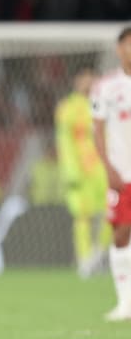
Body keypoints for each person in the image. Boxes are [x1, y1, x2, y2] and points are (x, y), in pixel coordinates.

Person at [55, 68, 111, 278]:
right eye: (84, 77)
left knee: (112, 213)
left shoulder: (107, 103)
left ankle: (100, 253)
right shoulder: (67, 108)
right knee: (82, 215)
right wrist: (70, 170)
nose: (88, 81)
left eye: (92, 76)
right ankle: (85, 260)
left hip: (105, 168)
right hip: (80, 170)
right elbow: (64, 141)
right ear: (76, 81)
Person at [92, 27, 131, 321]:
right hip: (122, 173)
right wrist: (108, 168)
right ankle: (124, 303)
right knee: (120, 234)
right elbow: (98, 131)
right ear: (119, 49)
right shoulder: (106, 86)